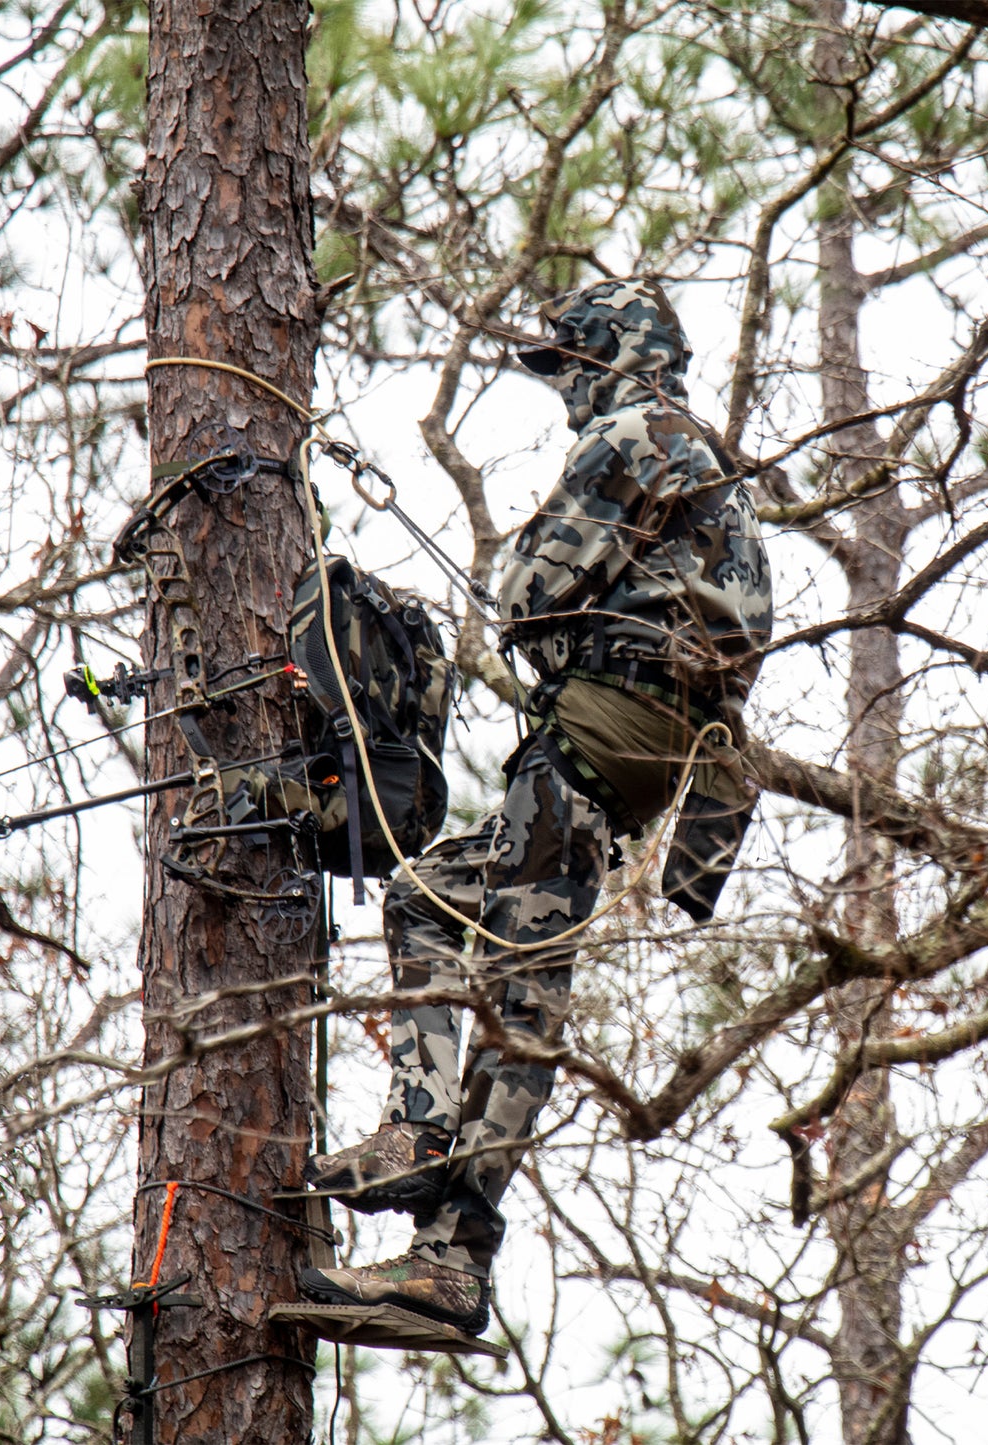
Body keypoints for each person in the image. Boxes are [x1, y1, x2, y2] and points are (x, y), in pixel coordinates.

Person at [297, 278, 774, 1336]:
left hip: (600, 737)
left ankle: (437, 1207)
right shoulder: (710, 462)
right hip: (640, 758)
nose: (560, 392)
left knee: (516, 986)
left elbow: (526, 592)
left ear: (603, 359)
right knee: (436, 906)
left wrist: (536, 596)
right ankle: (434, 1204)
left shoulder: (631, 433)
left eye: (566, 367)